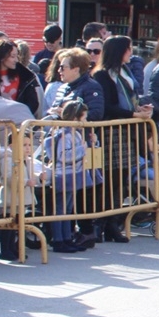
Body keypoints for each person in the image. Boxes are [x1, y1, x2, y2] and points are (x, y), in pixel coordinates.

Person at [91, 35, 152, 243]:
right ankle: (101, 222)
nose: (131, 53)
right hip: (111, 132)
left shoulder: (125, 73)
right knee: (110, 179)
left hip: (126, 130)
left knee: (123, 178)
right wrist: (133, 115)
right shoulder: (102, 75)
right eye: (128, 49)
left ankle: (112, 223)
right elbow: (107, 106)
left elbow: (130, 98)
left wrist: (139, 109)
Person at [43, 98, 99, 254]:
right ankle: (58, 240)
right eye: (84, 117)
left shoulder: (76, 133)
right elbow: (63, 156)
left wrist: (93, 143)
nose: (86, 121)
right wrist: (84, 148)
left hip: (74, 174)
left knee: (68, 208)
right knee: (60, 208)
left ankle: (67, 238)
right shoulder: (65, 134)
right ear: (75, 118)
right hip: (64, 174)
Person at [0, 38, 41, 119]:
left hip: (21, 123)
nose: (16, 60)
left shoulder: (26, 76)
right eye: (12, 56)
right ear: (1, 57)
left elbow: (33, 103)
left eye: (17, 56)